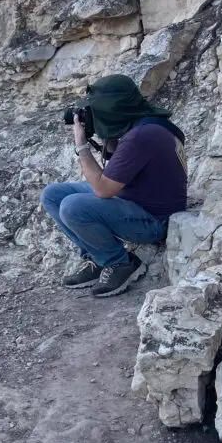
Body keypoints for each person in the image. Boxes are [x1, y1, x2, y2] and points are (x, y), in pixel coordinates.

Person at [40, 74, 187, 298]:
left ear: (111, 108)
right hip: (131, 198)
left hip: (153, 220)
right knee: (52, 195)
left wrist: (81, 145)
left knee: (73, 206)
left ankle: (120, 263)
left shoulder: (140, 136)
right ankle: (97, 257)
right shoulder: (143, 124)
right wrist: (107, 134)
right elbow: (115, 173)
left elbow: (102, 189)